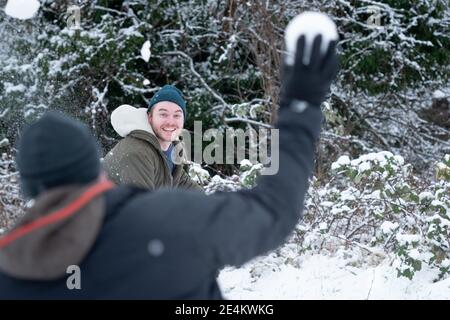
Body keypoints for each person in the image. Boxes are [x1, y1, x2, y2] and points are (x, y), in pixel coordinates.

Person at [0, 35, 338, 299]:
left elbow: (187, 192)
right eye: (163, 112)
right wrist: (302, 104)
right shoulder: (137, 157)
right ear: (148, 118)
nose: (171, 120)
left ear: (29, 188)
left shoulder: (9, 270)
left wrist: (210, 205)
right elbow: (270, 211)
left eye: (177, 114)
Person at [103, 85, 202, 191]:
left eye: (177, 115)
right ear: (150, 117)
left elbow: (181, 182)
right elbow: (143, 204)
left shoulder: (171, 150)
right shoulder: (137, 152)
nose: (170, 122)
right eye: (163, 114)